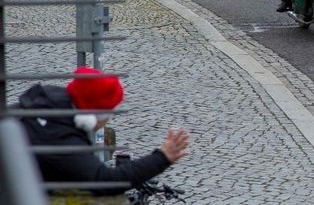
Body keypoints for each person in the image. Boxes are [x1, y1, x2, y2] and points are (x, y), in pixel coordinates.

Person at [14, 67, 189, 194]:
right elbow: (104, 181)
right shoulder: (59, 136)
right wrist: (162, 158)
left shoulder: (46, 106)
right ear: (94, 115)